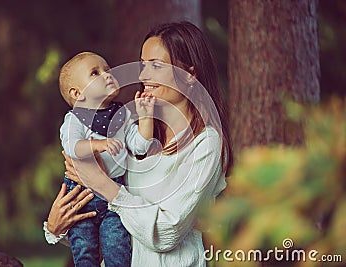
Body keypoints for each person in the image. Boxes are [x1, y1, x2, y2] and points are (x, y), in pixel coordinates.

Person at [45, 21, 233, 267]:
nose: (143, 75)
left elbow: (167, 233)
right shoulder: (137, 129)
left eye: (156, 66)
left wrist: (100, 183)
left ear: (190, 75)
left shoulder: (206, 143)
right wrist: (56, 227)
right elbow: (115, 222)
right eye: (143, 65)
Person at [53, 51, 155, 267]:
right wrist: (98, 145)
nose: (107, 75)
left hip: (114, 199)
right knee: (85, 251)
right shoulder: (75, 120)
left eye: (108, 70)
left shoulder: (122, 115)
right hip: (82, 197)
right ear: (78, 93)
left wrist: (145, 119)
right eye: (95, 73)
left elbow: (139, 145)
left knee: (117, 248)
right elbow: (72, 146)